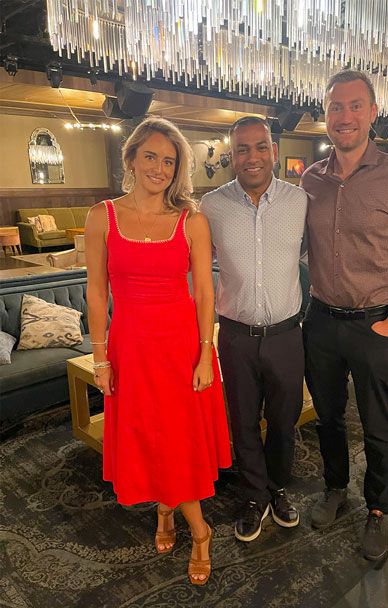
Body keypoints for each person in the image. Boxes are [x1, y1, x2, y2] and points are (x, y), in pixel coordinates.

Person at [85, 117, 231, 585]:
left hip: (180, 348)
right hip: (130, 348)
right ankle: (165, 508)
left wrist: (206, 354)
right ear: (130, 158)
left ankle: (199, 530)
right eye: (150, 156)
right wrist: (100, 357)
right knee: (148, 435)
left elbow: (205, 293)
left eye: (169, 161)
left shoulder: (193, 220)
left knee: (178, 439)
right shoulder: (101, 216)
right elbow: (96, 293)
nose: (160, 168)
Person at [300, 70, 388, 560]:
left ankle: (378, 508)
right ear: (325, 115)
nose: (345, 116)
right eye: (335, 107)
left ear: (373, 112)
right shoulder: (310, 180)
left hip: (374, 322)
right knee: (328, 418)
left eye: (355, 105)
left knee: (378, 423)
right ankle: (335, 489)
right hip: (320, 322)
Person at [201, 116, 308, 542]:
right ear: (232, 156)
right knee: (243, 421)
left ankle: (277, 488)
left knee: (284, 421)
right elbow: (193, 265)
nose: (252, 157)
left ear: (274, 152)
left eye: (261, 147)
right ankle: (253, 496)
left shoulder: (300, 202)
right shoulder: (211, 206)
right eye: (242, 149)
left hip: (286, 335)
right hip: (235, 337)